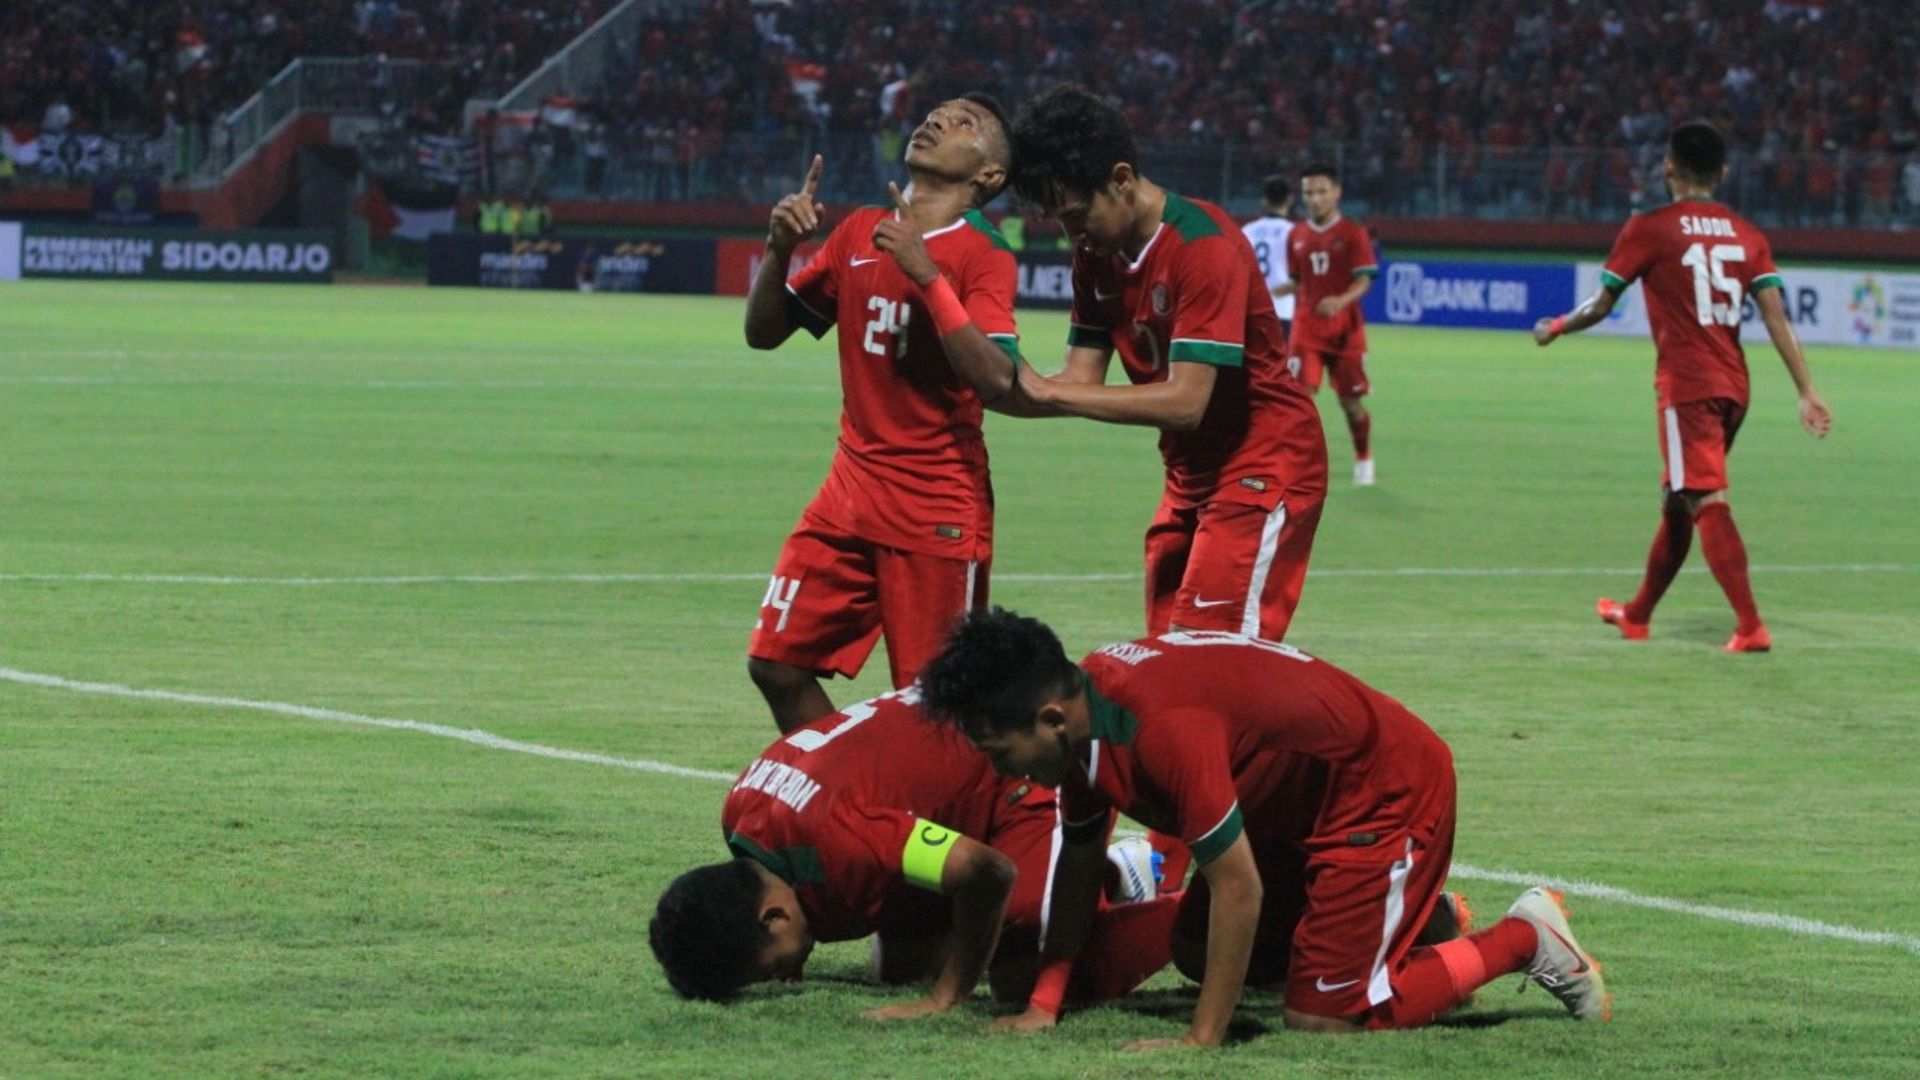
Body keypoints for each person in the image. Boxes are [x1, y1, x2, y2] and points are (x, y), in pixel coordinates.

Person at [919, 608, 1610, 1046]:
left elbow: (1239, 889)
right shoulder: (1081, 715)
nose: (1000, 771)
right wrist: (1046, 1001)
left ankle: (1523, 937)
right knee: (1196, 947)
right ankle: (1413, 917)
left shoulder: (1159, 729)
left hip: (1381, 793)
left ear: (1048, 720)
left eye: (996, 751)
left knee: (1324, 1020)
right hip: (1292, 813)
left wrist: (1201, 1041)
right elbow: (1076, 859)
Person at [993, 84, 1327, 648]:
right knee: (1167, 667)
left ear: (1122, 178)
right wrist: (989, 371)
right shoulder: (1094, 257)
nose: (1073, 235)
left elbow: (1185, 401)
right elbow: (1077, 380)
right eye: (1059, 221)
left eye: (1077, 214)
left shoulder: (1203, 245)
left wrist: (1043, 394)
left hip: (1264, 465)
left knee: (1212, 667)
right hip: (1188, 477)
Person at [741, 93, 1024, 732]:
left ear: (990, 177)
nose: (935, 121)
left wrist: (927, 275)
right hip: (847, 494)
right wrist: (778, 248)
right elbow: (765, 332)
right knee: (776, 663)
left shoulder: (984, 254)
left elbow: (996, 378)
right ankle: (853, 797)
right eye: (935, 113)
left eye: (964, 123)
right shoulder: (858, 231)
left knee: (942, 712)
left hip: (935, 510)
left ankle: (973, 831)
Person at [649, 686, 1181, 1015]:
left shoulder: (840, 839)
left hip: (1017, 767)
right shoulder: (741, 813)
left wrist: (946, 996)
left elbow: (984, 872)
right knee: (904, 969)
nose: (785, 977)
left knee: (1016, 972)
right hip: (953, 768)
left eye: (770, 970)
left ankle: (1129, 882)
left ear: (772, 914)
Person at [1534, 120, 1832, 653]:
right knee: (1678, 498)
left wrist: (1556, 326)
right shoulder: (1748, 235)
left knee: (1704, 497)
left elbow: (1603, 304)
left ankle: (1749, 626)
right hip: (1734, 387)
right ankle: (1638, 614)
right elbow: (1777, 319)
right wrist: (1806, 390)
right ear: (1722, 172)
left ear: (1668, 165)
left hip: (1687, 385)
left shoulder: (1649, 228)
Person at [1275, 163, 1380, 485]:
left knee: (1350, 404)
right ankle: (1296, 467)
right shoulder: (1296, 234)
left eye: (1322, 192)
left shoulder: (1352, 233)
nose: (1315, 199)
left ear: (1336, 193)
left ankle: (1363, 456)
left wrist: (1340, 301)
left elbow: (1364, 281)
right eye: (1308, 193)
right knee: (1298, 398)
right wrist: (1281, 289)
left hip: (1345, 331)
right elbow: (1302, 279)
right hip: (1306, 328)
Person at [1241, 175, 1296, 343]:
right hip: (1283, 310)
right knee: (1280, 367)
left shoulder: (1248, 230)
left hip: (1250, 310)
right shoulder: (1294, 232)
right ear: (1289, 200)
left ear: (1264, 201)